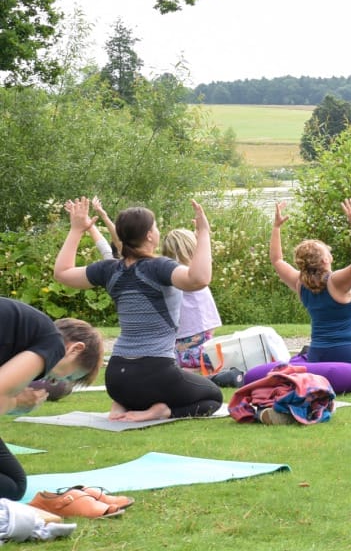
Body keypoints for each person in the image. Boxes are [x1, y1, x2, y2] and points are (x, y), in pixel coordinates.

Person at [52, 196, 223, 421]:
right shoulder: (159, 267)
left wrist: (76, 230)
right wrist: (203, 233)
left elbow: (62, 273)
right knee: (213, 397)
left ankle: (121, 405)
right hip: (157, 374)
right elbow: (199, 278)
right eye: (156, 227)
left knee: (151, 388)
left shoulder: (110, 269)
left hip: (116, 379)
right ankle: (161, 411)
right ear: (150, 235)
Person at [269, 199, 351, 385]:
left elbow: (277, 260)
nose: (331, 253)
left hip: (317, 355)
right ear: (324, 260)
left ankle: (330, 376)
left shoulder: (300, 283)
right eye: (327, 251)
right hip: (348, 354)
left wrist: (276, 227)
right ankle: (349, 378)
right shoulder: (335, 282)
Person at [0, 298, 104, 500]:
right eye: (68, 377)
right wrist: (17, 403)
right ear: (75, 349)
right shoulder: (52, 343)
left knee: (12, 482)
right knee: (13, 485)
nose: (54, 381)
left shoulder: (23, 335)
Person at [161, 228, 223, 370]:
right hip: (197, 342)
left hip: (183, 343)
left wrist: (200, 240)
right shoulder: (189, 275)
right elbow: (205, 263)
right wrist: (202, 239)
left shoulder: (170, 273)